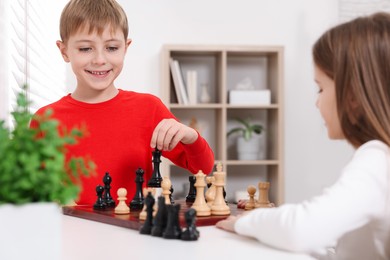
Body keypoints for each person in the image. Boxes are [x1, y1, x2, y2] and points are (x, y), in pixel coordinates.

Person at [216, 12, 390, 259]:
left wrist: (248, 221)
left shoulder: (377, 160)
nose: (317, 103)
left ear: (352, 96)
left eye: (321, 88)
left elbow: (302, 229)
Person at [32, 0, 214, 205]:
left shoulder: (149, 108)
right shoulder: (45, 119)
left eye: (111, 47)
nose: (100, 59)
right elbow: (31, 192)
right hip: (69, 234)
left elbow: (203, 168)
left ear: (125, 48)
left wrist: (190, 135)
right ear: (64, 51)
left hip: (134, 234)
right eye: (85, 48)